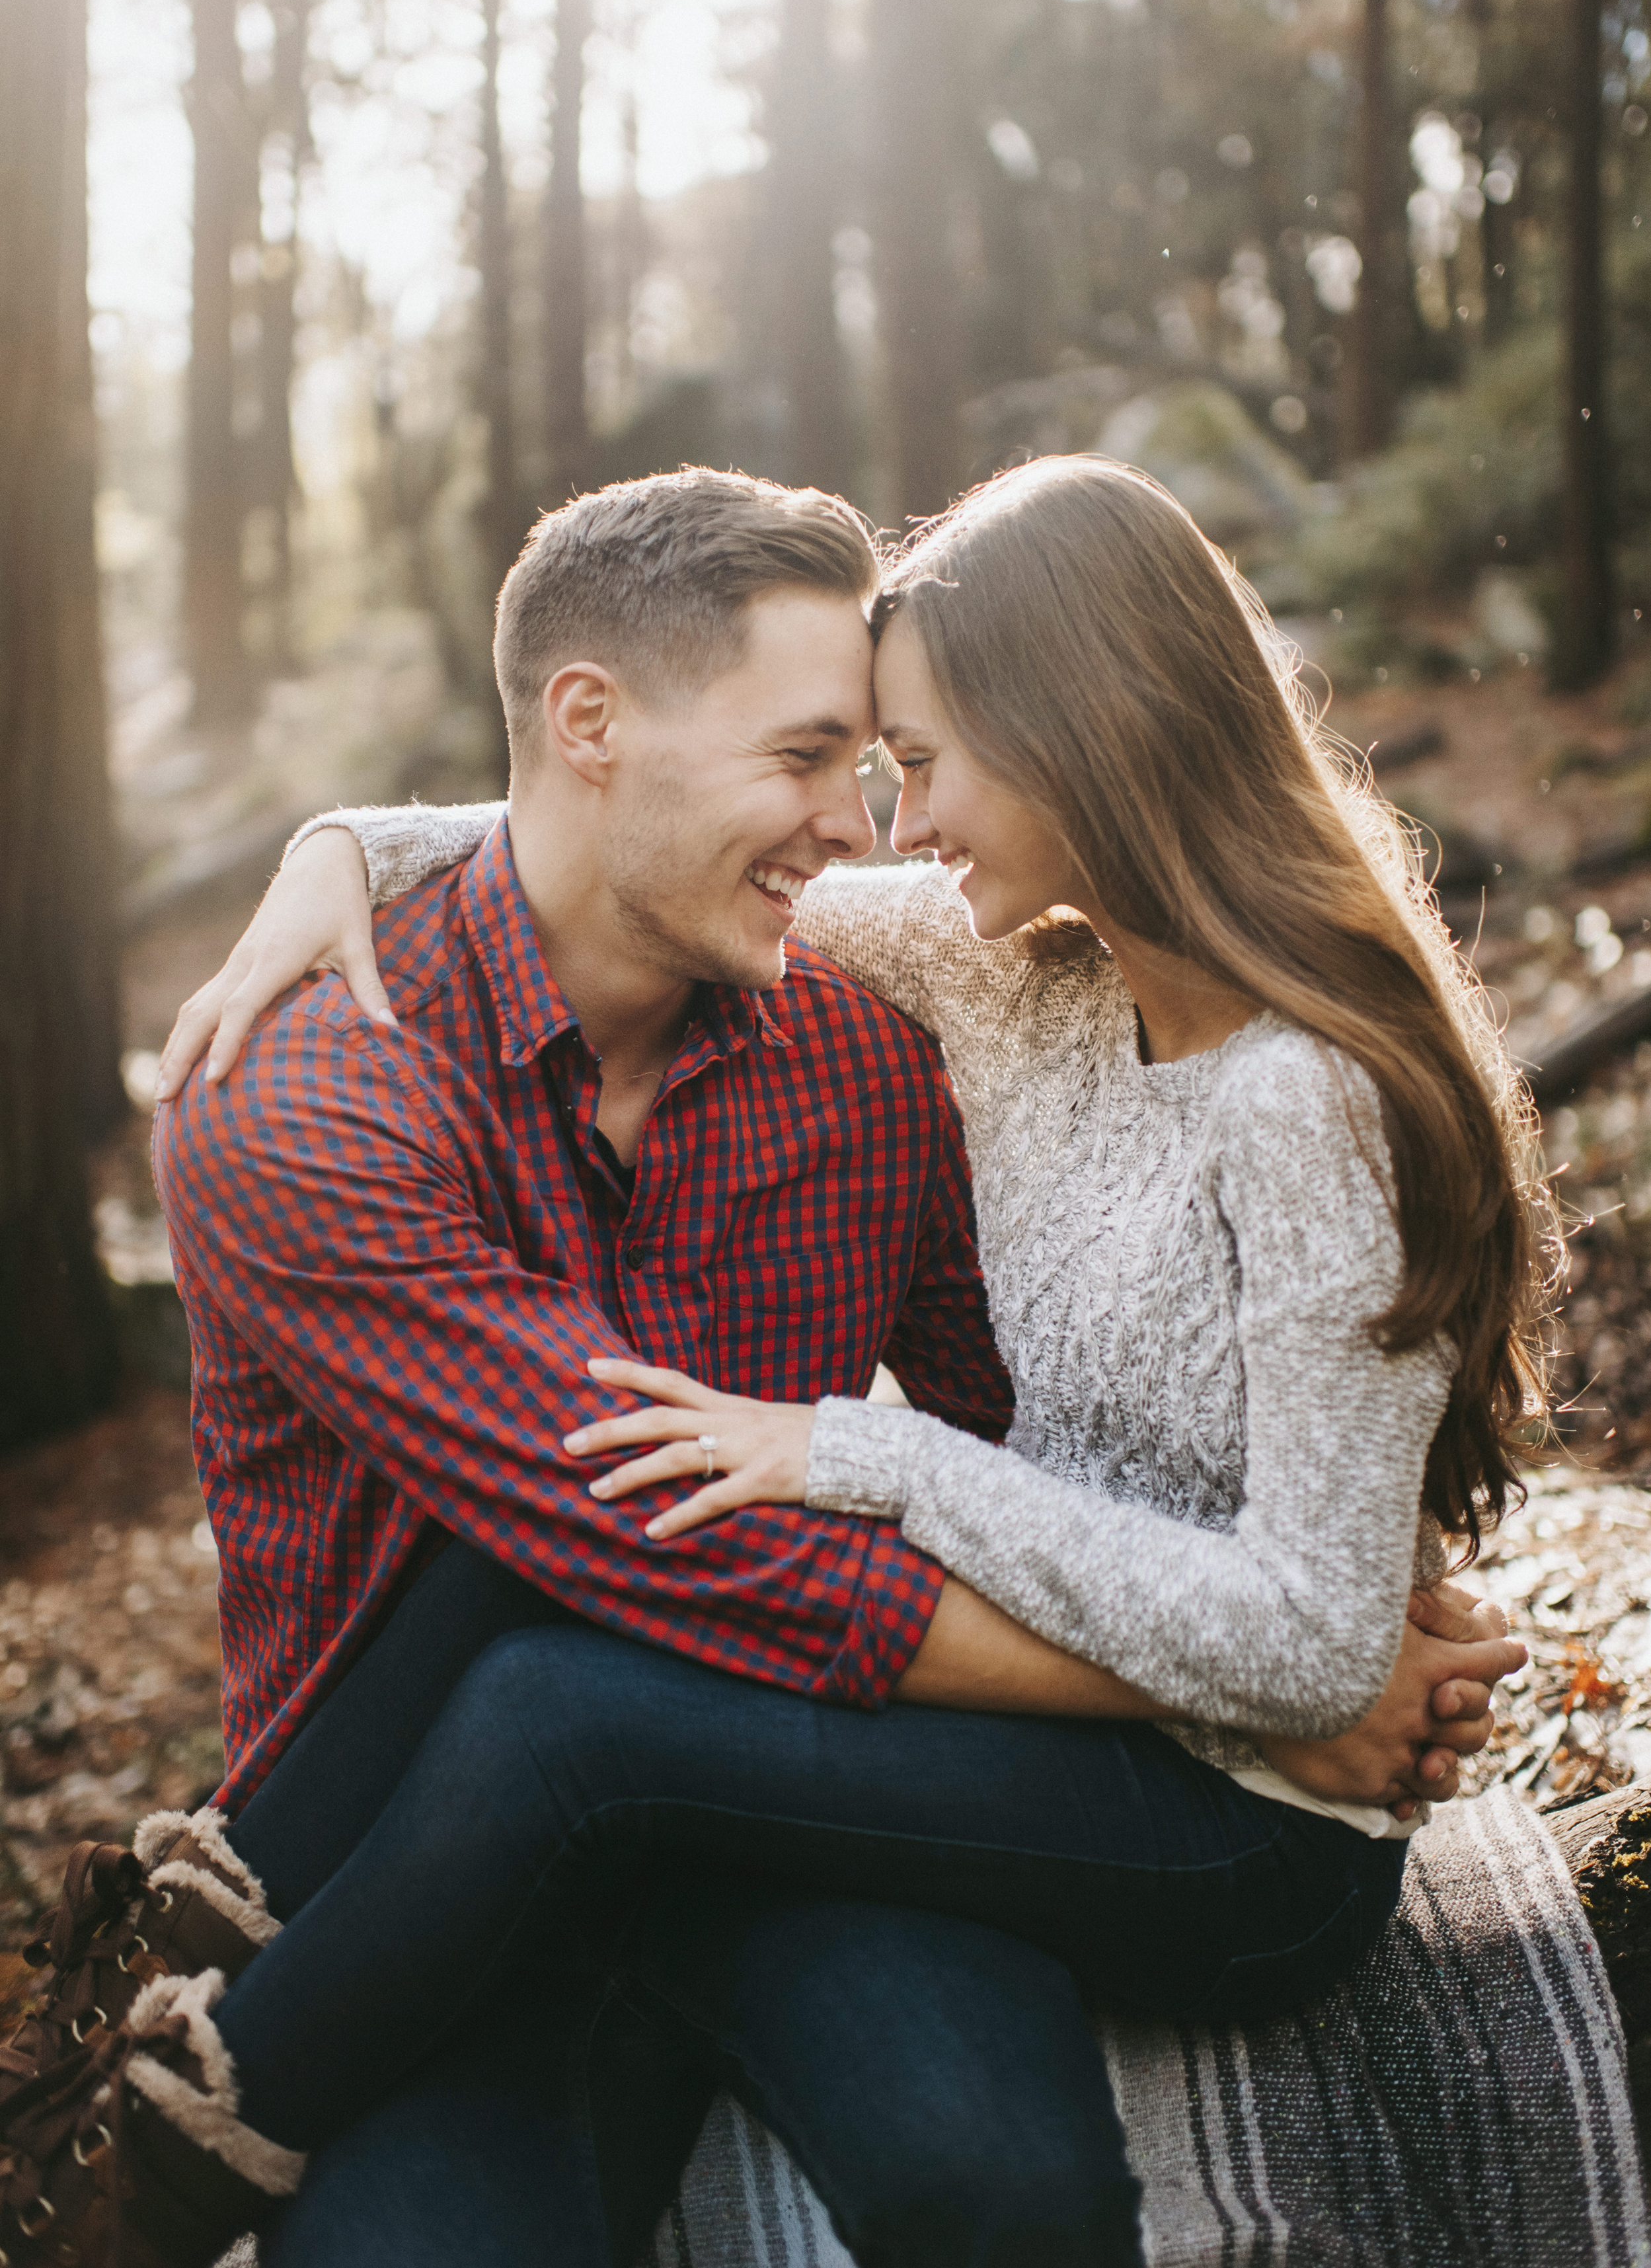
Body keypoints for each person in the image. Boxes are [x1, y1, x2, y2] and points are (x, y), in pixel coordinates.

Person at [0, 464, 1521, 2268]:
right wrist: (335, 844)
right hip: (425, 1857)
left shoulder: (892, 1026)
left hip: (823, 1787)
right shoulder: (318, 1090)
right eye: (815, 758)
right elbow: (634, 1516)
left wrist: (1280, 1633)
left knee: (992, 2179)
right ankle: (138, 2129)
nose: (863, 825)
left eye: (892, 764)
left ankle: (190, 2085)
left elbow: (1006, 1435)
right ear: (589, 724)